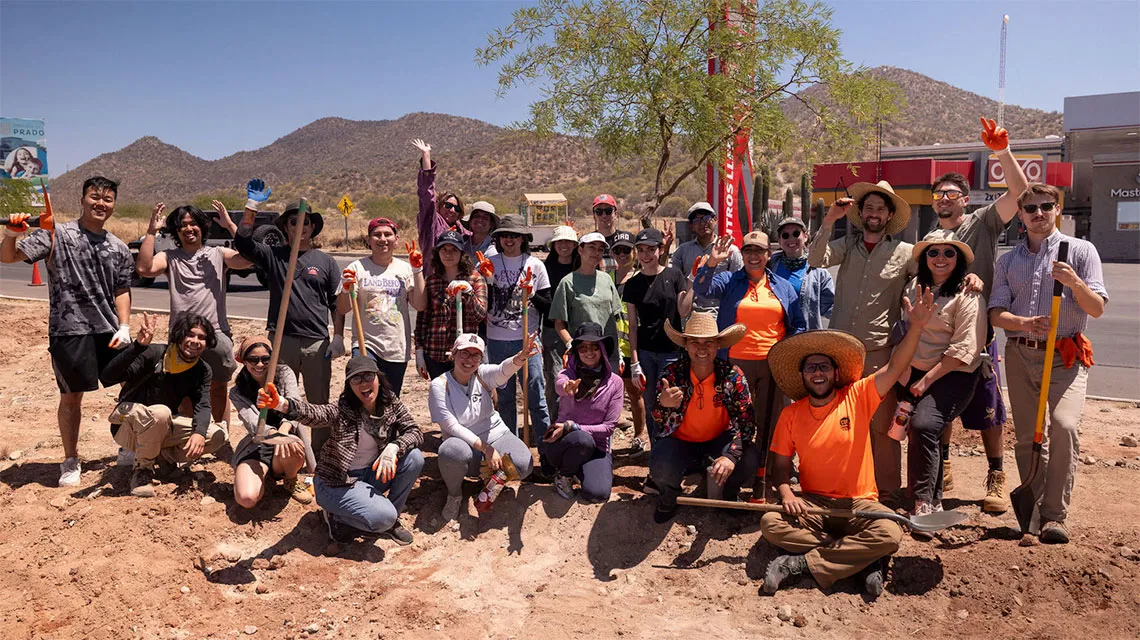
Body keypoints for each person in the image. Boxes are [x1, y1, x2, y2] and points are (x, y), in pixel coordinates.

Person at [760, 289, 937, 596]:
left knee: (890, 534)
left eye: (824, 366)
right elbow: (779, 467)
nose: (818, 373)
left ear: (836, 372)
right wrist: (787, 492)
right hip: (814, 505)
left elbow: (894, 368)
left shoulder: (857, 396)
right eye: (811, 368)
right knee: (770, 522)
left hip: (860, 505)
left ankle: (800, 564)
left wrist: (917, 328)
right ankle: (863, 561)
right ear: (802, 375)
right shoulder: (791, 414)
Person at [989, 183, 1108, 544]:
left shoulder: (1082, 251)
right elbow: (996, 312)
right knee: (1027, 437)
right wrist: (1021, 323)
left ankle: (1055, 516)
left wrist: (1074, 282)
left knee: (1064, 426)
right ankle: (1033, 511)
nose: (1038, 213)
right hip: (1021, 354)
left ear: (1057, 209)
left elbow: (1097, 308)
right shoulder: (1008, 260)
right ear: (1021, 216)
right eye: (1031, 209)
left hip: (1065, 356)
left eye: (1046, 206)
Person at [2, 176, 134, 487]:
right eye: (94, 197)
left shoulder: (118, 247)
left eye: (108, 199)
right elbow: (7, 256)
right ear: (82, 199)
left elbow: (122, 289)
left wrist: (125, 325)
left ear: (114, 205)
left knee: (132, 384)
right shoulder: (55, 235)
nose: (101, 203)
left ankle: (127, 445)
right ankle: (71, 460)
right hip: (68, 331)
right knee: (72, 397)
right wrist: (11, 233)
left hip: (110, 331)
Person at [926, 117, 1029, 513]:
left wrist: (1001, 152)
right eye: (938, 194)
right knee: (941, 400)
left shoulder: (982, 222)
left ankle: (996, 474)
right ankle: (946, 463)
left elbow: (1019, 192)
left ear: (965, 199)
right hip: (938, 332)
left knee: (988, 405)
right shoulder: (930, 241)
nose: (944, 198)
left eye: (951, 192)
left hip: (978, 331)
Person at [807, 180, 916, 504]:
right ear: (860, 212)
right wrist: (829, 219)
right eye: (868, 207)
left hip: (879, 352)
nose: (873, 213)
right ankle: (838, 485)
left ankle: (886, 493)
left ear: (889, 215)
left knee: (881, 426)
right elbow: (815, 258)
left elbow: (932, 276)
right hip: (841, 351)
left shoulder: (905, 254)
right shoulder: (846, 246)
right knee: (838, 421)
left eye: (880, 208)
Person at [259, 356, 425, 545]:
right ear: (349, 385)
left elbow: (415, 431)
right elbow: (315, 413)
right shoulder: (342, 409)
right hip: (338, 483)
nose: (363, 383)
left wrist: (394, 447)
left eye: (368, 376)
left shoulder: (390, 403)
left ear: (378, 378)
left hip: (371, 475)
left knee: (414, 458)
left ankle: (390, 522)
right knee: (382, 517)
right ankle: (337, 517)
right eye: (356, 379)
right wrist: (282, 404)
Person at [694, 231, 805, 500]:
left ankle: (764, 478)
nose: (754, 256)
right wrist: (711, 263)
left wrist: (789, 354)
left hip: (772, 364)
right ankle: (729, 474)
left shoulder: (782, 286)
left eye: (759, 251)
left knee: (771, 422)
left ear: (769, 255)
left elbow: (798, 324)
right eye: (748, 251)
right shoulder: (730, 280)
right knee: (734, 421)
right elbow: (701, 289)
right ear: (741, 254)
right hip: (735, 363)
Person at [234, 181, 341, 458]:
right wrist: (252, 208)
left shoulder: (326, 262)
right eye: (295, 222)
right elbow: (243, 243)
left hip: (318, 343)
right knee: (282, 400)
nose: (301, 226)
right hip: (282, 341)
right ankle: (286, 452)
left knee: (319, 402)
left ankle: (320, 455)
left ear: (312, 228)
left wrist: (339, 336)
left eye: (306, 222)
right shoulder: (274, 256)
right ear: (287, 227)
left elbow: (335, 304)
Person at [136, 201, 252, 425]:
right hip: (182, 337)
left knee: (218, 389)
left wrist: (230, 225)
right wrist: (152, 232)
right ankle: (190, 440)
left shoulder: (218, 254)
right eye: (183, 225)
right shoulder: (169, 257)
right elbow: (144, 268)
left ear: (202, 227)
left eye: (193, 223)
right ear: (176, 231)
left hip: (216, 334)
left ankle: (220, 437)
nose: (189, 229)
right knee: (185, 392)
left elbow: (248, 258)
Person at [897, 231, 985, 521]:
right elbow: (906, 328)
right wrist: (905, 367)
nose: (941, 259)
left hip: (952, 372)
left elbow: (964, 349)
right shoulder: (914, 286)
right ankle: (927, 499)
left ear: (958, 259)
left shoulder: (967, 294)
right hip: (915, 369)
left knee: (924, 424)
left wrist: (926, 380)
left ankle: (924, 503)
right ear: (925, 258)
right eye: (934, 252)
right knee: (915, 429)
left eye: (949, 253)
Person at [649, 311, 763, 523]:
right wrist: (663, 405)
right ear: (686, 345)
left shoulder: (732, 374)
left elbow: (747, 423)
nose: (702, 348)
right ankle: (669, 494)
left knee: (749, 458)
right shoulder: (671, 374)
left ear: (717, 345)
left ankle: (729, 494)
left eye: (708, 342)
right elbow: (658, 421)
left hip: (719, 438)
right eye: (695, 342)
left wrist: (731, 455)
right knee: (660, 465)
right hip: (679, 440)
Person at [101, 313, 230, 497]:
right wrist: (137, 346)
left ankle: (164, 461)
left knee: (217, 435)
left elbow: (203, 405)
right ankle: (142, 471)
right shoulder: (154, 353)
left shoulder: (201, 370)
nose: (195, 341)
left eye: (202, 338)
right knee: (161, 412)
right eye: (190, 335)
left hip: (163, 425)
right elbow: (108, 376)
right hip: (127, 426)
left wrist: (199, 434)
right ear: (179, 335)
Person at [430, 333, 538, 522]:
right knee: (450, 451)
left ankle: (490, 482)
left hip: (495, 434)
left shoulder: (482, 374)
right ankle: (455, 494)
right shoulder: (439, 385)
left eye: (475, 355)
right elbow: (451, 426)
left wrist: (520, 357)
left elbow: (503, 370)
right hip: (464, 444)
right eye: (464, 353)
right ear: (453, 354)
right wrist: (486, 449)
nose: (469, 360)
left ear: (481, 359)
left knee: (523, 464)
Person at [484, 214, 552, 443]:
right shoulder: (488, 264)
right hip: (497, 340)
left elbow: (548, 305)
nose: (509, 240)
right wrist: (489, 282)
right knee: (504, 399)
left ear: (523, 238)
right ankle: (510, 453)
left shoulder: (536, 265)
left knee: (536, 397)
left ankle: (546, 454)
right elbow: (483, 304)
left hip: (528, 340)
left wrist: (532, 294)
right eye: (504, 235)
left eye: (514, 235)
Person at [335, 217, 421, 395]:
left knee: (390, 399)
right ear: (368, 240)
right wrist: (345, 289)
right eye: (377, 235)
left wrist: (417, 271)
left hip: (396, 347)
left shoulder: (405, 269)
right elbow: (343, 309)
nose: (382, 239)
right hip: (366, 346)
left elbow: (419, 304)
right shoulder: (356, 268)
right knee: (364, 395)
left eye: (388, 234)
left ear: (396, 239)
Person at [229, 336, 312, 507]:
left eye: (265, 359)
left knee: (290, 443)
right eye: (253, 359)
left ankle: (290, 478)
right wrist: (275, 435)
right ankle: (262, 474)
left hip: (287, 440)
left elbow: (295, 404)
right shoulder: (237, 392)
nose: (259, 364)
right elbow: (254, 425)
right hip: (259, 443)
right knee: (247, 499)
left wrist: (284, 431)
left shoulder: (284, 373)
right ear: (244, 360)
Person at [625, 228, 689, 447]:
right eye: (641, 250)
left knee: (671, 401)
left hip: (672, 351)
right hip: (645, 352)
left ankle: (672, 449)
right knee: (651, 402)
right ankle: (656, 449)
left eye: (650, 249)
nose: (645, 255)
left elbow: (683, 311)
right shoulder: (633, 285)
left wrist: (693, 284)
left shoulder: (675, 276)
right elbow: (633, 326)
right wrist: (634, 362)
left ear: (660, 250)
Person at [546, 322, 623, 502]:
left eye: (594, 347)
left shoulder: (615, 383)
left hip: (596, 446)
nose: (589, 352)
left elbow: (609, 427)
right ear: (576, 352)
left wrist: (574, 426)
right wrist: (567, 388)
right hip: (563, 443)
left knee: (598, 493)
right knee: (582, 440)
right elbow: (560, 386)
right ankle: (564, 475)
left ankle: (579, 470)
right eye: (583, 348)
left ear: (602, 349)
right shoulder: (567, 375)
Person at [412, 229, 489, 380]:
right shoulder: (432, 280)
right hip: (435, 352)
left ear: (461, 253)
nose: (448, 254)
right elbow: (423, 319)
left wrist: (468, 293)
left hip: (465, 354)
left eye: (454, 250)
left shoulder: (474, 279)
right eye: (444, 249)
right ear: (438, 253)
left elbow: (479, 315)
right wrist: (420, 352)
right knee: (442, 396)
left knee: (465, 397)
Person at [551, 232, 623, 372]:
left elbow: (615, 319)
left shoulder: (607, 279)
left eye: (600, 249)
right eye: (592, 247)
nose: (596, 252)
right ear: (580, 249)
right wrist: (571, 345)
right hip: (584, 355)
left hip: (608, 353)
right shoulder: (567, 283)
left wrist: (618, 351)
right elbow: (559, 324)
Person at [534, 225, 580, 422]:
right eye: (560, 242)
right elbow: (540, 298)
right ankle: (555, 421)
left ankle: (577, 419)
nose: (564, 246)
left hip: (577, 329)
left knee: (578, 375)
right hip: (552, 330)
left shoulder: (581, 267)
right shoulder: (544, 268)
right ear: (553, 245)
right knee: (555, 377)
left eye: (568, 242)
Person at [609, 230, 646, 451]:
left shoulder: (640, 279)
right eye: (618, 250)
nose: (622, 254)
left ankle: (640, 436)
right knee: (610, 393)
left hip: (632, 347)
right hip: (611, 347)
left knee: (635, 392)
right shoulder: (606, 278)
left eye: (626, 250)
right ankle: (608, 435)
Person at [671, 202, 743, 310]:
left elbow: (740, 283)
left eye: (707, 218)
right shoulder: (682, 251)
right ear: (691, 226)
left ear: (715, 220)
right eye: (697, 220)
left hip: (720, 314)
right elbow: (671, 278)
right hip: (691, 315)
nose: (702, 223)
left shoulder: (730, 251)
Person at [767, 217, 834, 330]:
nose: (791, 238)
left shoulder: (819, 272)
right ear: (779, 241)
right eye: (785, 235)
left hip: (806, 338)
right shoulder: (769, 265)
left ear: (805, 236)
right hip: (775, 337)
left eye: (796, 233)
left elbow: (829, 307)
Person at [413, 138, 466, 278]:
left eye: (457, 208)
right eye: (448, 205)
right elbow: (426, 194)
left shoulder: (462, 231)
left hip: (457, 283)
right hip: (432, 281)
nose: (452, 210)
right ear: (439, 206)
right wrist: (426, 156)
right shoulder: (431, 223)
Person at [591, 194, 621, 273]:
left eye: (608, 211)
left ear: (616, 214)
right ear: (594, 215)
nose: (604, 215)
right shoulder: (587, 242)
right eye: (599, 212)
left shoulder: (625, 239)